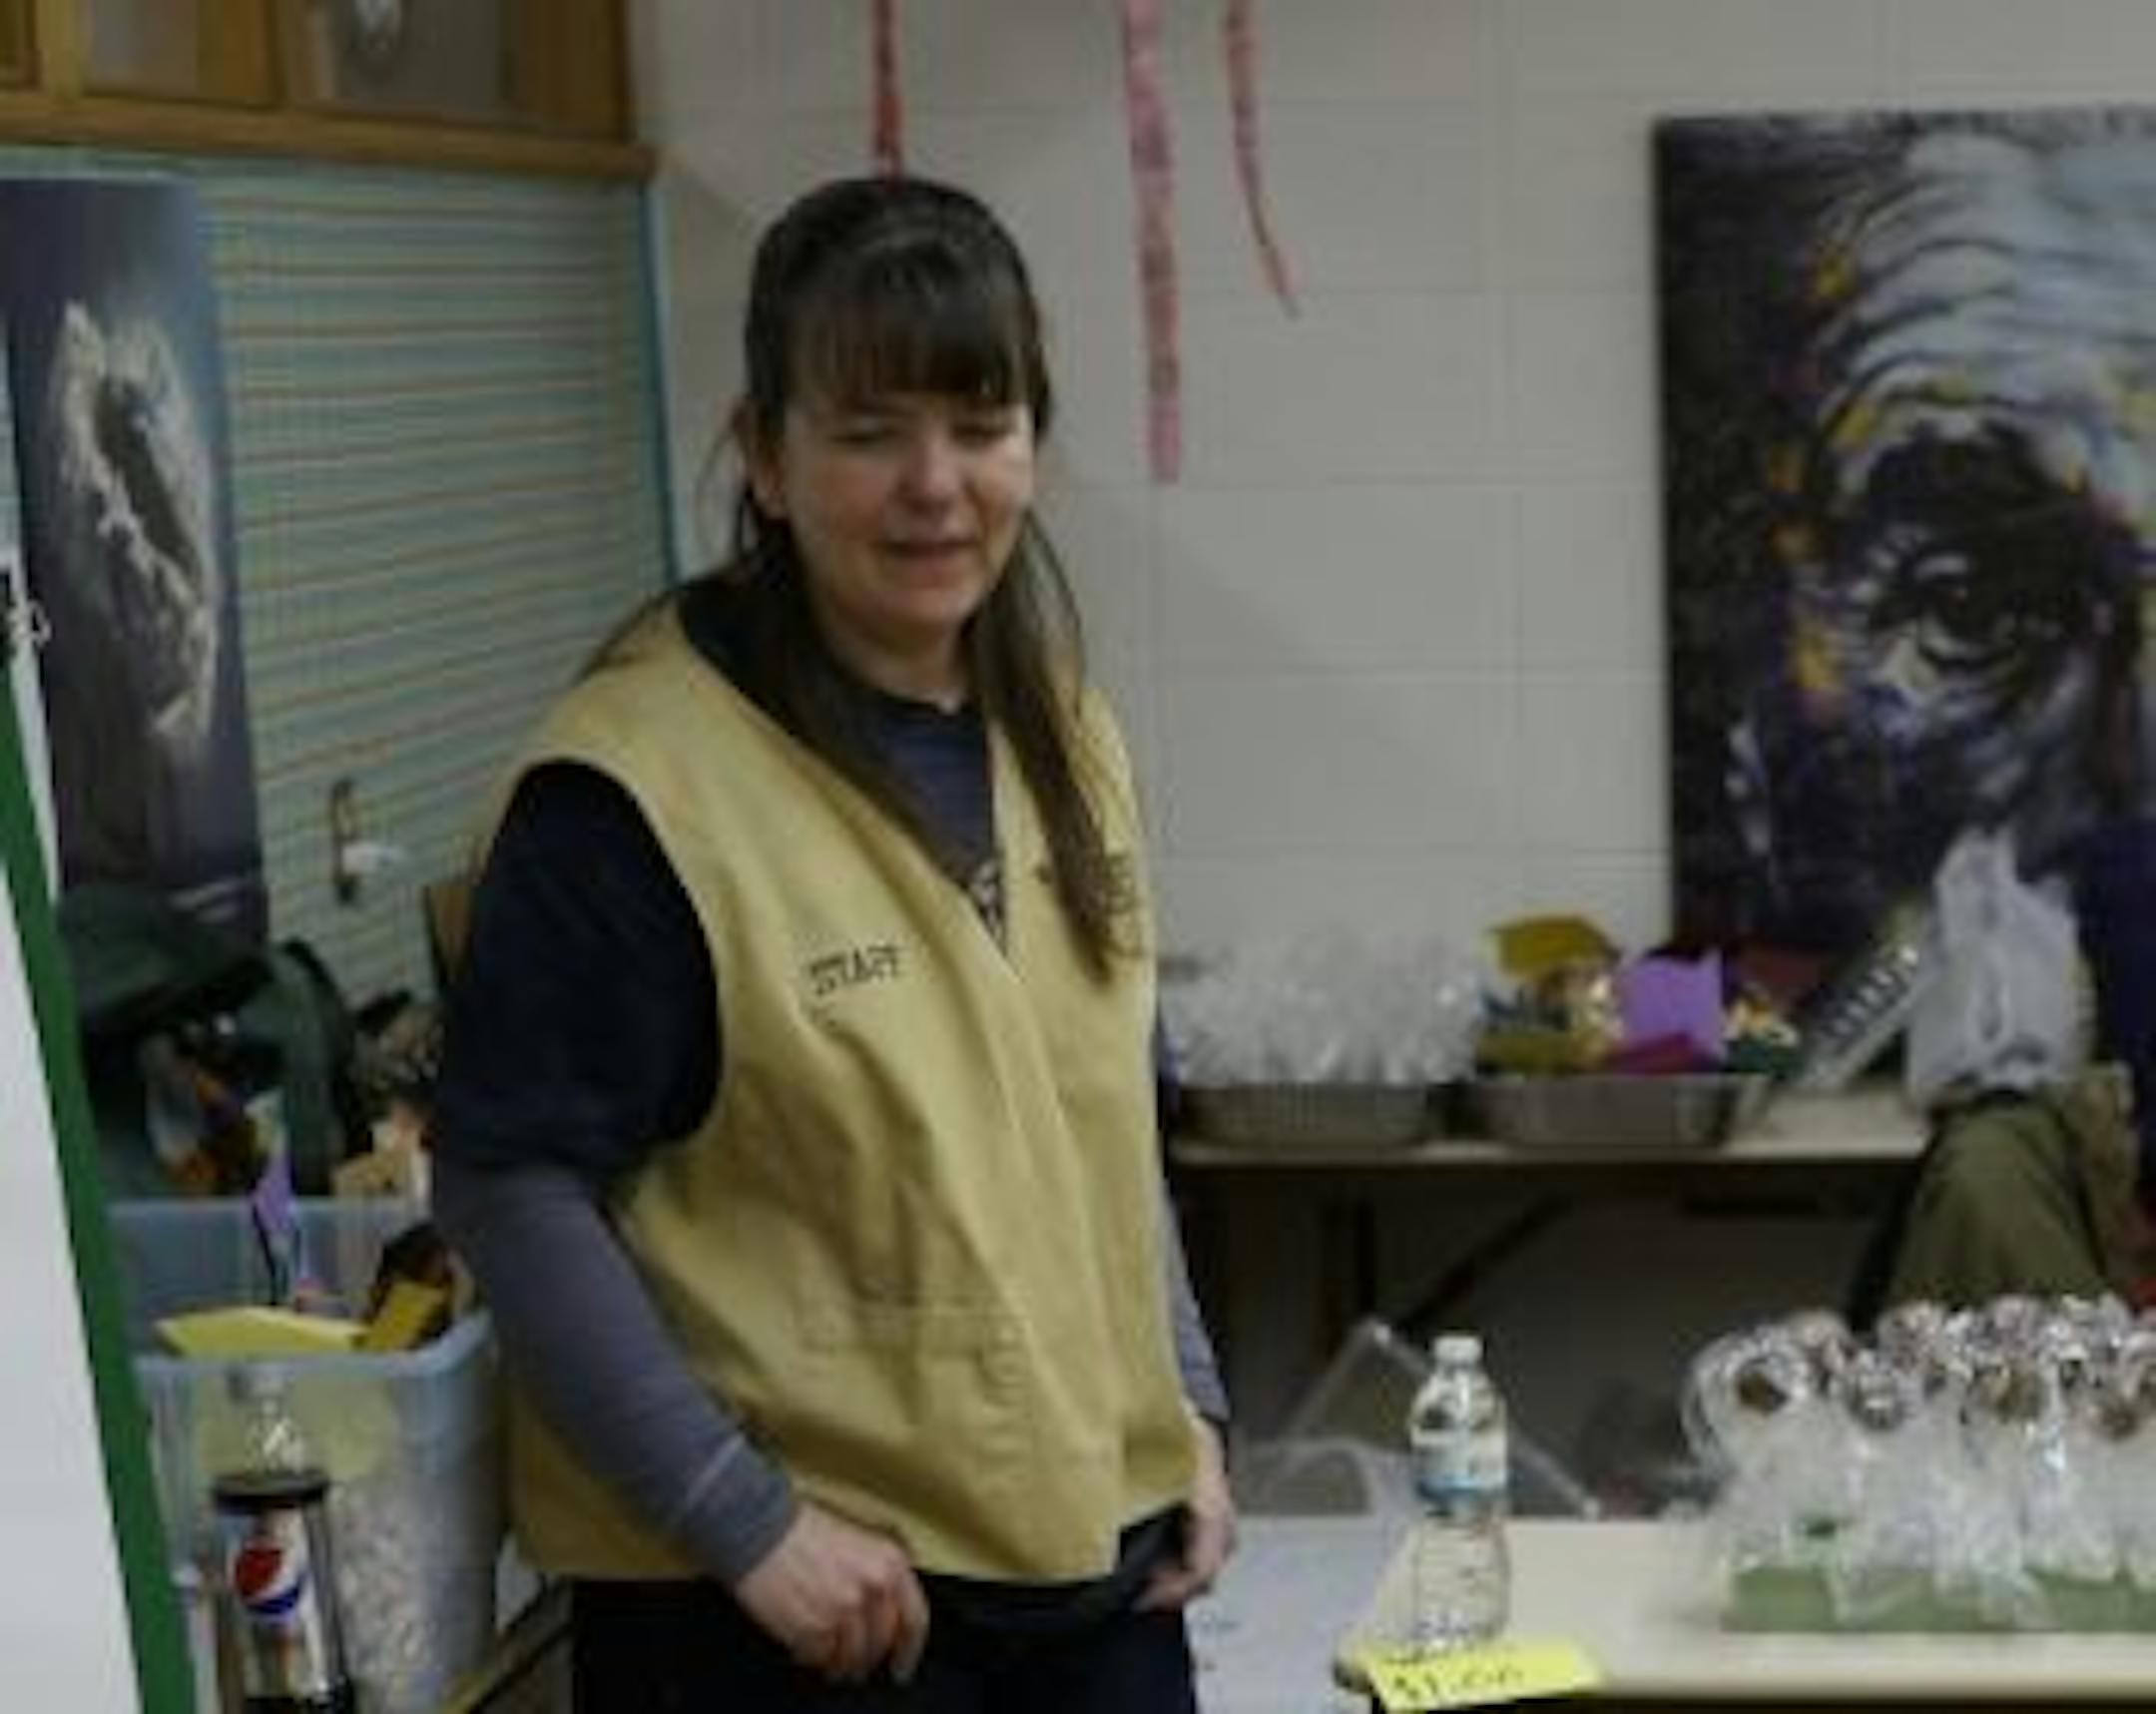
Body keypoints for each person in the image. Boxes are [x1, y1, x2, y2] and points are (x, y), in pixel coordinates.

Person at [430, 173, 1235, 1711]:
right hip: (801, 1616)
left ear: (1031, 445)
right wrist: (746, 1523)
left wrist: (1185, 1404)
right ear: (769, 460)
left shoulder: (1059, 728)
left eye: (979, 425)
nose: (936, 483)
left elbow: (1097, 1109)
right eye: (871, 433)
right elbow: (506, 1181)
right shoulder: (633, 792)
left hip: (1091, 1568)